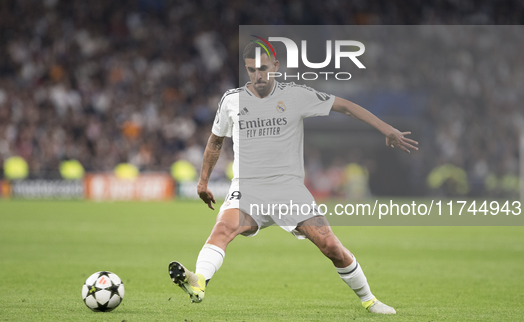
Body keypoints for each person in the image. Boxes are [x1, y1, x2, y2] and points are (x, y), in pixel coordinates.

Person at [168, 42, 418, 314]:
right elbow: (215, 142)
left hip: (288, 191)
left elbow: (344, 106)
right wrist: (203, 181)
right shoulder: (232, 100)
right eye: (251, 70)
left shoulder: (296, 95)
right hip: (247, 189)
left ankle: (369, 300)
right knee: (222, 229)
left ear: (275, 67)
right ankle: (199, 281)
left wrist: (386, 128)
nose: (258, 75)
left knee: (331, 245)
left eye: (263, 68)